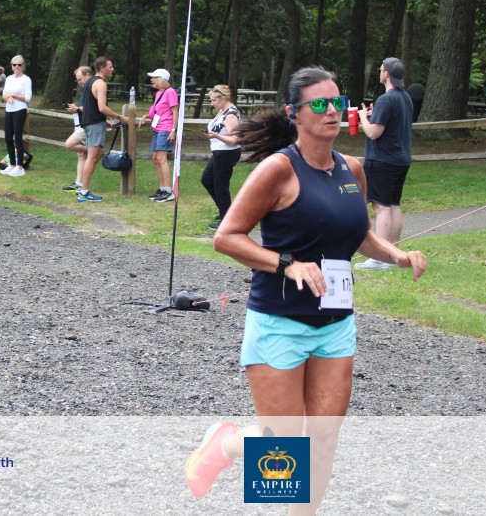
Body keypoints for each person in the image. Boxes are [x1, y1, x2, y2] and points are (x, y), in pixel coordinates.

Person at [182, 66, 426, 507]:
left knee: (324, 439)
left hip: (336, 323)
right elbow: (227, 237)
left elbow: (358, 233)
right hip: (279, 321)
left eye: (338, 102)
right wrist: (288, 264)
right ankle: (227, 443)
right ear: (295, 113)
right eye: (320, 104)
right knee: (283, 446)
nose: (333, 111)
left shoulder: (352, 168)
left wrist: (396, 254)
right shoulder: (278, 170)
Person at [354, 57, 414, 271]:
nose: (380, 72)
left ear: (386, 74)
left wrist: (363, 117)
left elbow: (374, 132)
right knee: (394, 205)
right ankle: (394, 255)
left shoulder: (386, 99)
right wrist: (374, 115)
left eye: (381, 70)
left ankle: (378, 258)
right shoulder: (405, 97)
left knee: (381, 207)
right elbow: (389, 122)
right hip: (401, 159)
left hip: (383, 159)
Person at [76, 56, 129, 202]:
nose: (112, 69)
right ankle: (84, 192)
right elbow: (102, 107)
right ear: (102, 68)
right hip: (94, 124)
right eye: (110, 67)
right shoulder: (100, 84)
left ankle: (82, 188)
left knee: (98, 154)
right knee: (92, 157)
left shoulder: (89, 82)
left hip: (89, 123)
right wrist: (119, 117)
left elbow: (90, 106)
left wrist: (104, 121)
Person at [201, 85, 241, 230]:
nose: (212, 104)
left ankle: (226, 220)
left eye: (214, 100)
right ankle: (226, 211)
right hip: (219, 152)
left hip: (226, 153)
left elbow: (235, 139)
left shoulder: (230, 115)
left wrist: (216, 136)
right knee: (207, 180)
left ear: (223, 98)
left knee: (220, 186)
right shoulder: (222, 110)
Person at [138, 68, 179, 203]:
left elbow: (175, 112)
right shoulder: (159, 93)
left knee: (161, 158)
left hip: (165, 129)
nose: (152, 80)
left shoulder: (170, 92)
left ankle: (168, 191)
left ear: (161, 79)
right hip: (157, 128)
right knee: (155, 158)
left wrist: (173, 130)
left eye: (154, 77)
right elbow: (158, 110)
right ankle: (162, 188)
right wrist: (146, 115)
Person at [62, 65, 94, 191]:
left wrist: (77, 109)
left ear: (88, 75)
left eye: (80, 79)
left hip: (87, 125)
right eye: (77, 80)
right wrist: (75, 109)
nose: (79, 82)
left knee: (69, 144)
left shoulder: (93, 87)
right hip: (80, 124)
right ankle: (79, 183)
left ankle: (95, 151)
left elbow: (94, 108)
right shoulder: (86, 89)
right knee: (81, 154)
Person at [1, 55, 33, 177]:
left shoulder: (26, 79)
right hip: (9, 109)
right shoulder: (9, 78)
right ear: (12, 66)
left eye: (19, 64)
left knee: (18, 138)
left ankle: (20, 166)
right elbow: (4, 94)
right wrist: (8, 97)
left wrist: (14, 95)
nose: (17, 67)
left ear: (23, 66)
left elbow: (28, 98)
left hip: (20, 109)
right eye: (14, 64)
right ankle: (12, 164)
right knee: (8, 138)